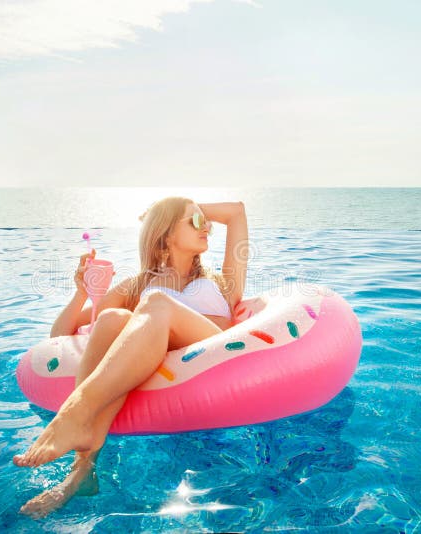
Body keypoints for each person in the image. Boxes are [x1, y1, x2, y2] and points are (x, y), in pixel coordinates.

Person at [15, 196, 248, 518]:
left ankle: (75, 411)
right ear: (166, 234)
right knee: (111, 317)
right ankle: (81, 472)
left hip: (209, 348)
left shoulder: (224, 281)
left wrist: (174, 211)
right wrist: (81, 293)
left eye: (204, 221)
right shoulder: (136, 284)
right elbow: (60, 335)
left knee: (156, 302)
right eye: (195, 222)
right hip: (155, 353)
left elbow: (236, 211)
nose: (206, 227)